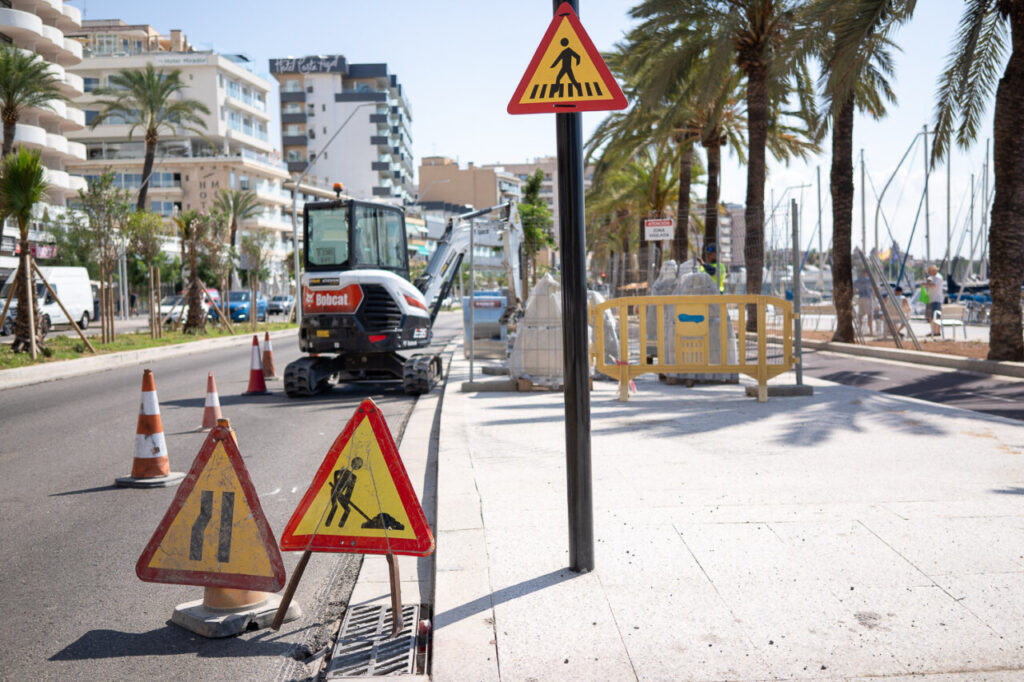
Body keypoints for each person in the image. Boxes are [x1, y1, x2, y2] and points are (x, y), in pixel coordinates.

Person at [325, 457, 362, 528]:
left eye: (358, 465)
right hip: (335, 490)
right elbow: (335, 473)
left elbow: (350, 489)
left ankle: (341, 525)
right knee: (335, 506)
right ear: (352, 463)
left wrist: (346, 499)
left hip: (341, 494)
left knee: (347, 509)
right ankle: (327, 523)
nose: (355, 465)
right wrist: (335, 484)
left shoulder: (354, 477)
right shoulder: (345, 471)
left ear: (359, 467)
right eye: (355, 463)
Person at [925, 264, 943, 336]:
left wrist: (925, 284)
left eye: (929, 271)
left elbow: (933, 285)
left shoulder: (938, 277)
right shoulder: (933, 277)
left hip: (936, 300)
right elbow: (930, 283)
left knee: (935, 317)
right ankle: (935, 331)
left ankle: (935, 332)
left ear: (933, 271)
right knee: (933, 317)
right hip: (933, 299)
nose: (929, 273)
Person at [854, 270, 873, 336]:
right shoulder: (869, 280)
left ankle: (859, 331)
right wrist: (873, 297)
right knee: (870, 315)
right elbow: (872, 289)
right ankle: (871, 332)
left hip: (861, 298)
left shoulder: (857, 280)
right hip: (868, 298)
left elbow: (854, 290)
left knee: (860, 315)